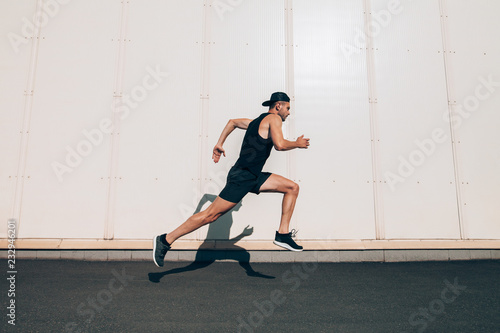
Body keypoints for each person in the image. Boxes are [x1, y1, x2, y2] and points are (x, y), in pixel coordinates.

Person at [153, 92, 310, 267]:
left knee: (292, 188)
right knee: (210, 215)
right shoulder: (274, 119)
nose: (289, 113)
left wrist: (220, 144)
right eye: (288, 108)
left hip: (253, 175)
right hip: (242, 177)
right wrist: (297, 143)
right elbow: (279, 145)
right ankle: (165, 240)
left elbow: (232, 122)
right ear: (278, 106)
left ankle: (283, 234)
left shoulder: (254, 123)